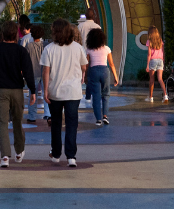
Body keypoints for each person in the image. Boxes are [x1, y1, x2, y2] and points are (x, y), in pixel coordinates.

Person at [0, 21, 36, 167]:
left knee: (2, 123)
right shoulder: (21, 51)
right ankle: (19, 151)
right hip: (17, 90)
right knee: (18, 121)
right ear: (16, 34)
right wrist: (32, 90)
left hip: (0, 90)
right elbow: (28, 72)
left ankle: (5, 156)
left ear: (2, 33)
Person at [39, 20, 86, 167]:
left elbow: (46, 71)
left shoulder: (49, 49)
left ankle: (56, 153)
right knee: (72, 124)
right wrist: (81, 75)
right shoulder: (78, 48)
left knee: (56, 123)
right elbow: (84, 66)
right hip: (73, 92)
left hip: (55, 92)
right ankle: (71, 156)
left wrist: (45, 90)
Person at [83, 28, 112, 126]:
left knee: (96, 96)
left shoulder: (89, 50)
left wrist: (84, 76)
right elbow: (111, 64)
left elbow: (86, 65)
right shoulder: (107, 49)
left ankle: (98, 119)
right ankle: (105, 116)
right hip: (105, 71)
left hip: (93, 71)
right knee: (106, 95)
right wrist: (116, 77)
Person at [23, 24, 46, 121]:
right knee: (46, 94)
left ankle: (32, 116)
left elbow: (25, 60)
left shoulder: (29, 46)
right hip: (44, 72)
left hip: (33, 73)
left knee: (33, 94)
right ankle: (48, 114)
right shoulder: (45, 45)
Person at [144, 27, 165, 102]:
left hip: (153, 61)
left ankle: (150, 97)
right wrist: (163, 62)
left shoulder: (149, 41)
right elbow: (163, 52)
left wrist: (147, 65)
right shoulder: (160, 41)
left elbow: (149, 54)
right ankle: (165, 96)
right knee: (160, 79)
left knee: (152, 80)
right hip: (160, 60)